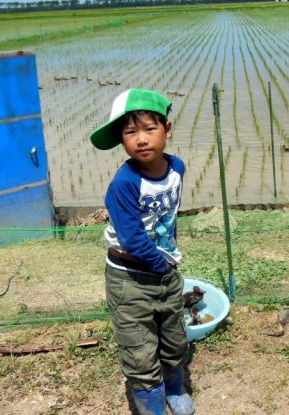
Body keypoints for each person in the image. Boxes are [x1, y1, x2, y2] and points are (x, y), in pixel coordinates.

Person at [90, 88, 194, 415]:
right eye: (130, 132)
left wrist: (169, 256)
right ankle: (152, 406)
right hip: (129, 278)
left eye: (150, 129)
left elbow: (170, 215)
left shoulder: (177, 168)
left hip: (164, 269)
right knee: (140, 349)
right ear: (122, 140)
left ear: (168, 129)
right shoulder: (124, 183)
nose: (141, 140)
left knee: (174, 337)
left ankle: (175, 388)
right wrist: (164, 266)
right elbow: (133, 240)